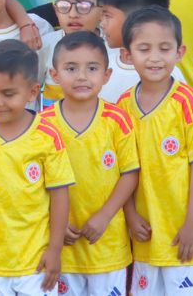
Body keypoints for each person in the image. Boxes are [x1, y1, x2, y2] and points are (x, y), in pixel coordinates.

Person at [116, 6, 193, 296]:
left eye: (164, 48)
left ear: (180, 52)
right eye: (144, 49)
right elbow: (123, 171)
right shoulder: (122, 106)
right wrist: (130, 215)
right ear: (126, 54)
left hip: (185, 237)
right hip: (145, 238)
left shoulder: (188, 101)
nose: (155, 57)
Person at [0, 40, 74, 296]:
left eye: (8, 94)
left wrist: (55, 250)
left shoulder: (47, 135)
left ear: (32, 92)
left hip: (35, 260)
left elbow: (60, 194)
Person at [42, 32, 138, 296]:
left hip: (107, 244)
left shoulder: (117, 120)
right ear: (55, 74)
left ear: (106, 76)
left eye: (92, 68)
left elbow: (130, 174)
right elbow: (37, 184)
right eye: (71, 68)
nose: (82, 76)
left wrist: (104, 216)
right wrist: (56, 225)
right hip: (63, 245)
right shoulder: (43, 125)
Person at [95, 0, 180, 102]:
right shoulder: (100, 64)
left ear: (137, 20)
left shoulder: (168, 73)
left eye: (107, 16)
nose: (102, 23)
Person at [38, 0, 107, 107]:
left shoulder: (112, 47)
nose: (73, 14)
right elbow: (29, 90)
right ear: (56, 9)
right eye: (64, 5)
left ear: (102, 10)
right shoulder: (45, 45)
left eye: (83, 6)